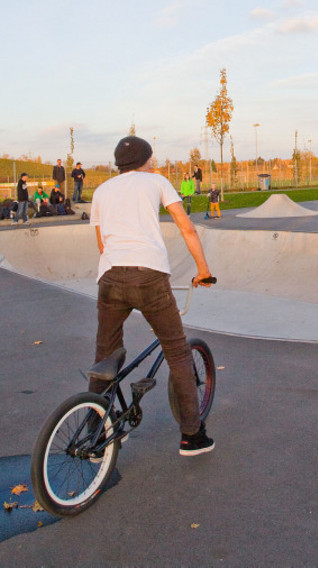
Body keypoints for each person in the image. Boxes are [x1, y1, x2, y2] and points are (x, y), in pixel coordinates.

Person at [88, 136, 215, 455]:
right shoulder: (156, 181)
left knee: (105, 355)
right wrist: (203, 270)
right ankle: (192, 435)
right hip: (149, 275)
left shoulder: (102, 191)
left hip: (111, 275)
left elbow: (102, 245)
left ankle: (96, 433)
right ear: (146, 160)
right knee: (177, 352)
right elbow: (187, 227)